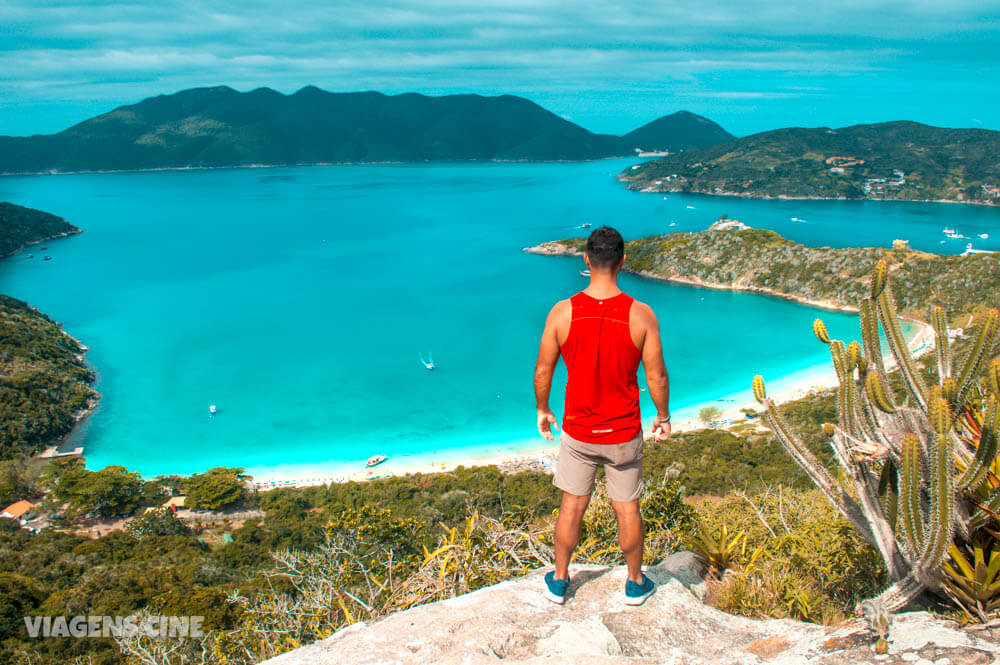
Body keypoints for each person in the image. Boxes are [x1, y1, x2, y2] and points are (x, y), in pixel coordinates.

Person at [533, 225, 671, 606]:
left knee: (572, 505)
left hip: (578, 432)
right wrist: (663, 416)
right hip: (624, 433)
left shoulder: (562, 313)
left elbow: (543, 370)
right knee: (627, 507)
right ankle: (635, 582)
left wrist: (543, 409)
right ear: (624, 261)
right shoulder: (641, 315)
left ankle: (560, 580)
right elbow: (656, 374)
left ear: (586, 260)